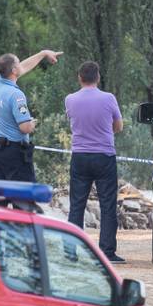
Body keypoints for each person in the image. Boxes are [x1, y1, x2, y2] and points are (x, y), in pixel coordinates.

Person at [64, 61, 125, 263]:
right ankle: (107, 252)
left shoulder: (70, 100)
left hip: (80, 156)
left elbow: (73, 122)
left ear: (79, 78)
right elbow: (119, 126)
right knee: (108, 204)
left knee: (77, 205)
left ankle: (71, 252)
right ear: (98, 77)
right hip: (104, 156)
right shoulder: (109, 98)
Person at [0, 50, 62, 182]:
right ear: (14, 70)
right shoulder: (16, 95)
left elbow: (24, 67)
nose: (22, 66)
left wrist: (43, 54)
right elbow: (25, 128)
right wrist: (32, 123)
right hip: (14, 154)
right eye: (18, 64)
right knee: (23, 200)